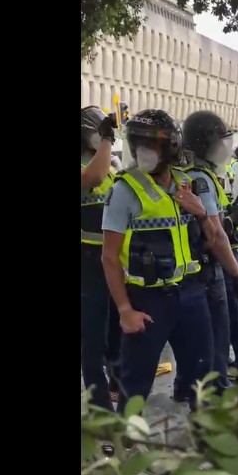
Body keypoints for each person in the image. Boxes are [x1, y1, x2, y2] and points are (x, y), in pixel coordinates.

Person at [101, 108, 215, 414]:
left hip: (191, 294)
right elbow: (109, 257)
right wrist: (125, 311)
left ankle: (208, 435)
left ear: (172, 147)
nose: (144, 152)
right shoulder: (124, 191)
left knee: (203, 374)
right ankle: (125, 442)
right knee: (135, 382)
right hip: (147, 302)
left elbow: (214, 239)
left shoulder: (185, 185)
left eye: (152, 144)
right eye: (139, 144)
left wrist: (200, 210)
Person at [173, 110, 238, 397]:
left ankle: (184, 387)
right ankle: (215, 400)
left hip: (192, 269)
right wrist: (236, 273)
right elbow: (215, 235)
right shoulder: (200, 179)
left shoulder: (188, 174)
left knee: (192, 340)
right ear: (205, 143)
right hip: (208, 271)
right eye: (220, 142)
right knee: (215, 340)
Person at [80, 106, 121, 411]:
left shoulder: (109, 166)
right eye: (97, 132)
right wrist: (107, 140)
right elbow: (91, 176)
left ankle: (116, 387)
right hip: (87, 264)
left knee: (115, 332)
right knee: (93, 342)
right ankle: (101, 409)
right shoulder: (93, 167)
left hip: (111, 262)